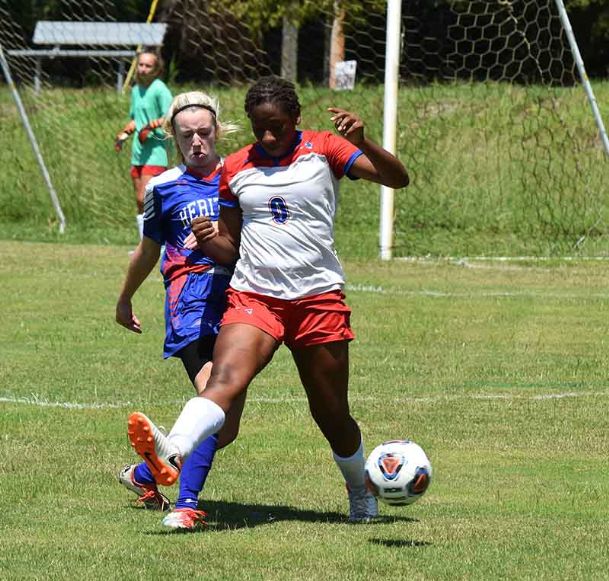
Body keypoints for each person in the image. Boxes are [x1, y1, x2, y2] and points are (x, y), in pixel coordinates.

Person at [127, 75, 409, 523]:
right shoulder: (235, 167)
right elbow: (231, 247)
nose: (269, 137)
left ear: (296, 118)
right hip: (255, 296)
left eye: (277, 126)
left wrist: (363, 142)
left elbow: (399, 179)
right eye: (260, 128)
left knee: (331, 413)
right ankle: (173, 449)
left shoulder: (325, 149)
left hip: (317, 299)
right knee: (224, 381)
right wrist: (207, 240)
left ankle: (360, 491)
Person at [116, 90, 244, 530]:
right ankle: (186, 506)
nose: (196, 142)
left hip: (242, 300)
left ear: (217, 130)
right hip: (190, 301)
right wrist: (125, 296)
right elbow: (148, 249)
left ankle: (146, 473)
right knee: (213, 396)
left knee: (224, 427)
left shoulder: (240, 175)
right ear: (172, 135)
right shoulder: (163, 187)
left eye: (204, 133)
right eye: (186, 134)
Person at [114, 49, 173, 240]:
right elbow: (135, 120)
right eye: (141, 65)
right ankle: (144, 245)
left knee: (145, 199)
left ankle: (161, 242)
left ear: (156, 69)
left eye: (148, 66)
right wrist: (123, 134)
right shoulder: (136, 90)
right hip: (138, 152)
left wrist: (151, 126)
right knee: (140, 203)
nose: (143, 69)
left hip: (156, 152)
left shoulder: (160, 89)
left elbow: (170, 117)